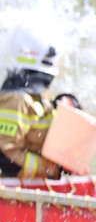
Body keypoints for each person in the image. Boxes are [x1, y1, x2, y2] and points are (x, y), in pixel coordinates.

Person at [0, 24, 66, 178]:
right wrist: (49, 170)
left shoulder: (37, 95)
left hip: (34, 189)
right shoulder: (15, 100)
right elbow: (5, 157)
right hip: (19, 194)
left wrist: (66, 102)